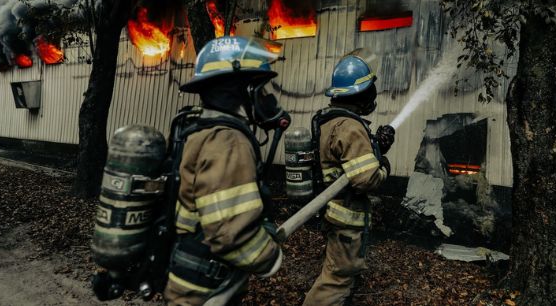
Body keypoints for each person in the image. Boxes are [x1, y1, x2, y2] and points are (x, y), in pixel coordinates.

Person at [164, 36, 286, 306]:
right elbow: (229, 233)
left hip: (190, 280)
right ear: (242, 90)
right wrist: (270, 257)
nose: (265, 98)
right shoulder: (228, 141)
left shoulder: (199, 130)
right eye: (260, 89)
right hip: (206, 290)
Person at [303, 49, 395, 306]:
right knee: (336, 281)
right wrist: (384, 166)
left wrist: (377, 147)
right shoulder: (350, 127)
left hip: (333, 212)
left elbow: (345, 163)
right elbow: (366, 179)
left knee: (337, 272)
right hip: (346, 217)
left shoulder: (330, 121)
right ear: (360, 94)